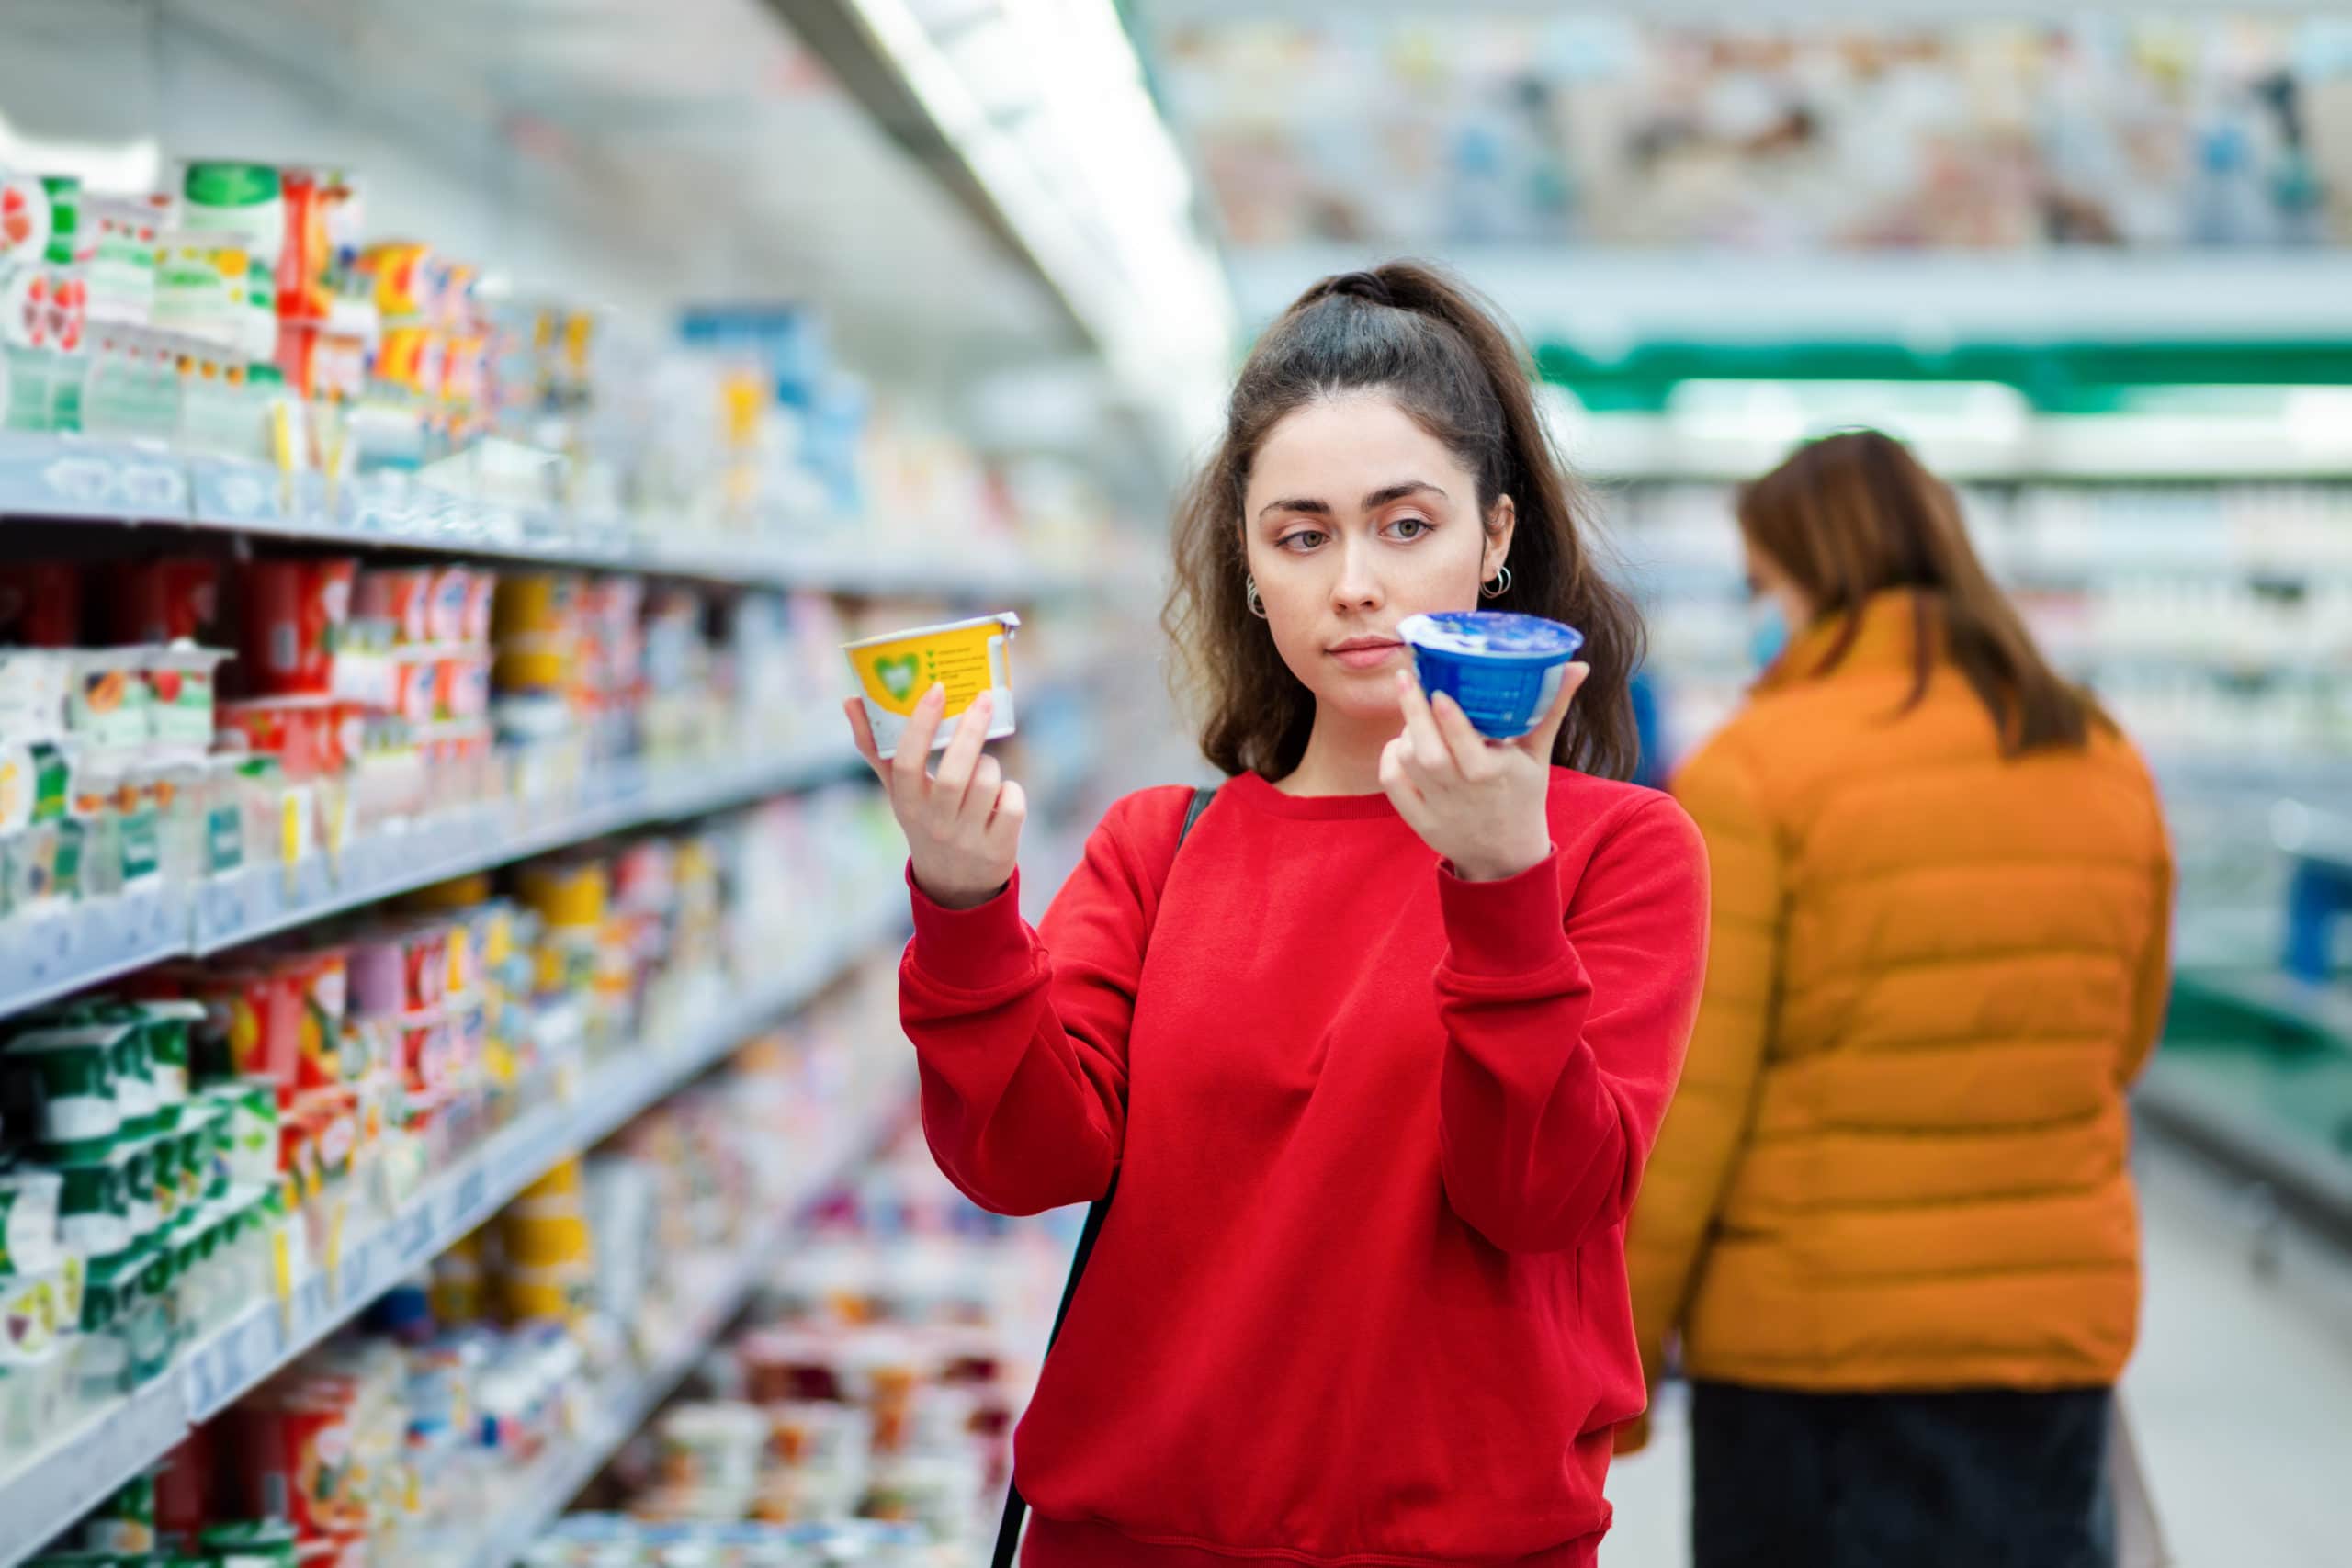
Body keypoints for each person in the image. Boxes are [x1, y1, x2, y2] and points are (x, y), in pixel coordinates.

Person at [843, 263, 1709, 1566]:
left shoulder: (1619, 852)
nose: (1354, 581)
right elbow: (1024, 1160)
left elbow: (1542, 1197)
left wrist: (1499, 891)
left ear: (1496, 535)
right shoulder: (1160, 846)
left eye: (1405, 524)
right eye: (1301, 535)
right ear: (1250, 570)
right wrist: (965, 904)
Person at [1620, 429, 2175, 1568]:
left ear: (1817, 574)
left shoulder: (1752, 773)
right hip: (2042, 1345)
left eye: (1760, 583)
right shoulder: (2097, 752)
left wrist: (1616, 1360)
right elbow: (2120, 1039)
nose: (1757, 612)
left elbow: (1693, 1113)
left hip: (1809, 1362)